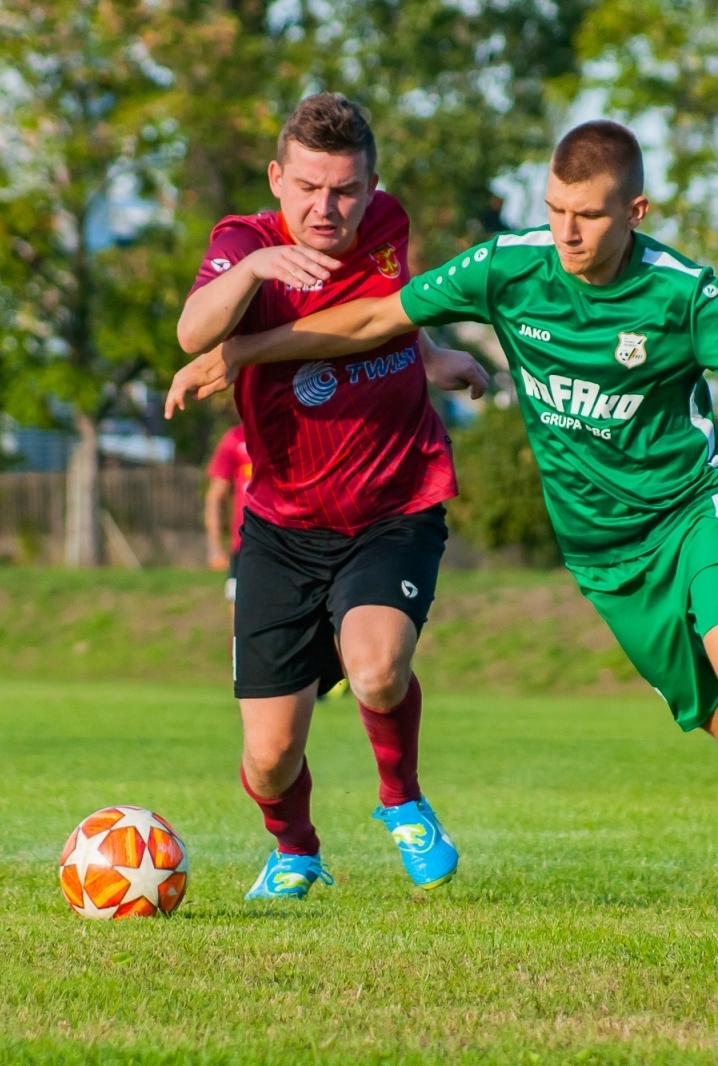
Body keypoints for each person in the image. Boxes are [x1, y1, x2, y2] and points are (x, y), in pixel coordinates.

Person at [167, 121, 718, 917]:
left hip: (698, 508)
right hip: (606, 556)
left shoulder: (681, 293)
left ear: (634, 213)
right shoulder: (510, 268)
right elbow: (373, 319)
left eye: (589, 215)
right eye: (556, 211)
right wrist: (241, 351)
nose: (567, 233)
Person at [168, 92, 488, 900]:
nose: (327, 207)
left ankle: (402, 800)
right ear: (277, 178)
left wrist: (430, 354)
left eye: (345, 189)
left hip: (396, 500)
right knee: (269, 758)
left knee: (377, 669)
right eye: (308, 186)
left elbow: (384, 316)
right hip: (282, 524)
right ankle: (296, 850)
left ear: (373, 184)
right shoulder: (244, 243)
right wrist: (250, 274)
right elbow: (190, 332)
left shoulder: (387, 224)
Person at [204, 422, 250, 608]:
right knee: (238, 619)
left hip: (289, 543)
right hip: (245, 545)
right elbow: (215, 496)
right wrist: (215, 548)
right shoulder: (236, 439)